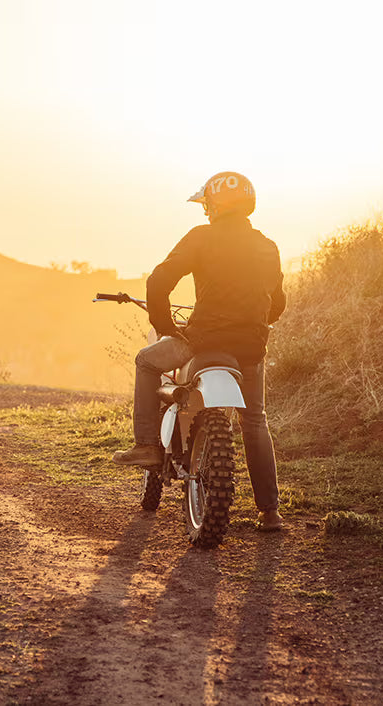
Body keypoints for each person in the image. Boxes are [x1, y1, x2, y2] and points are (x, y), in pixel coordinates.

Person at [112, 171, 287, 532]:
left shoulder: (201, 238)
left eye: (207, 205)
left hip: (204, 340)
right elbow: (277, 304)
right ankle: (270, 512)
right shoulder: (267, 246)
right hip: (250, 349)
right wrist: (253, 324)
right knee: (254, 420)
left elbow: (157, 282)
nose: (206, 211)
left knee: (147, 361)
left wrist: (165, 327)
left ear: (215, 206)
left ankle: (147, 446)